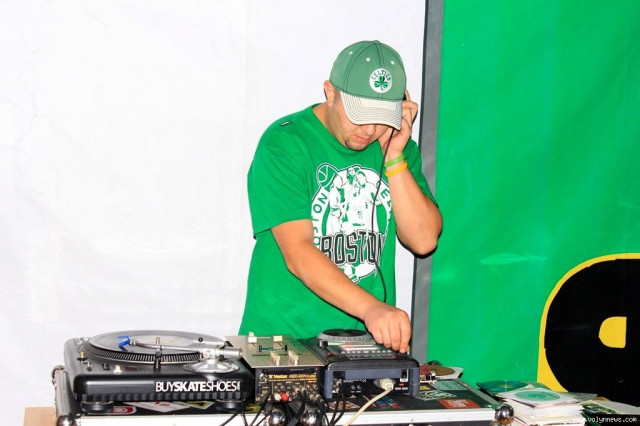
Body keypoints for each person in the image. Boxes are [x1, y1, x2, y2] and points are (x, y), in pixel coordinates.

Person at [239, 40, 442, 353]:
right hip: (282, 342)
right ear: (330, 93)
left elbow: (424, 240)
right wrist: (371, 309)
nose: (369, 129)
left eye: (382, 117)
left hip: (360, 345)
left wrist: (394, 157)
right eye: (359, 114)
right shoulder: (285, 143)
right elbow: (298, 252)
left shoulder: (395, 147)